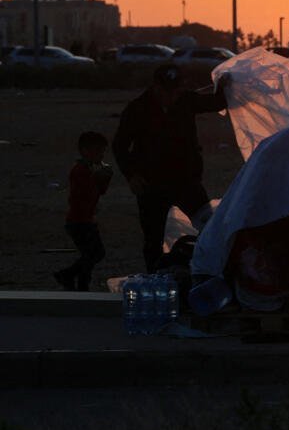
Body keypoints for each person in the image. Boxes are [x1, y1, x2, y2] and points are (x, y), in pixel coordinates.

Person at [112, 64, 231, 271]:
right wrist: (131, 175)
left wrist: (224, 82)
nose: (171, 96)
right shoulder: (137, 108)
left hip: (186, 182)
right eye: (166, 91)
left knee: (209, 228)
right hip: (152, 186)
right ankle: (154, 279)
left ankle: (210, 272)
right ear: (156, 87)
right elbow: (119, 145)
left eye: (175, 91)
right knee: (153, 239)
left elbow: (217, 102)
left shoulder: (187, 101)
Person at [55, 132, 113, 291]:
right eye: (98, 151)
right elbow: (82, 195)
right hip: (80, 221)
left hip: (84, 220)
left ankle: (80, 282)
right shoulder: (80, 171)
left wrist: (103, 179)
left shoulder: (88, 169)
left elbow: (99, 191)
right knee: (95, 253)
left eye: (102, 151)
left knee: (91, 254)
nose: (101, 155)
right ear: (85, 151)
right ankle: (70, 275)